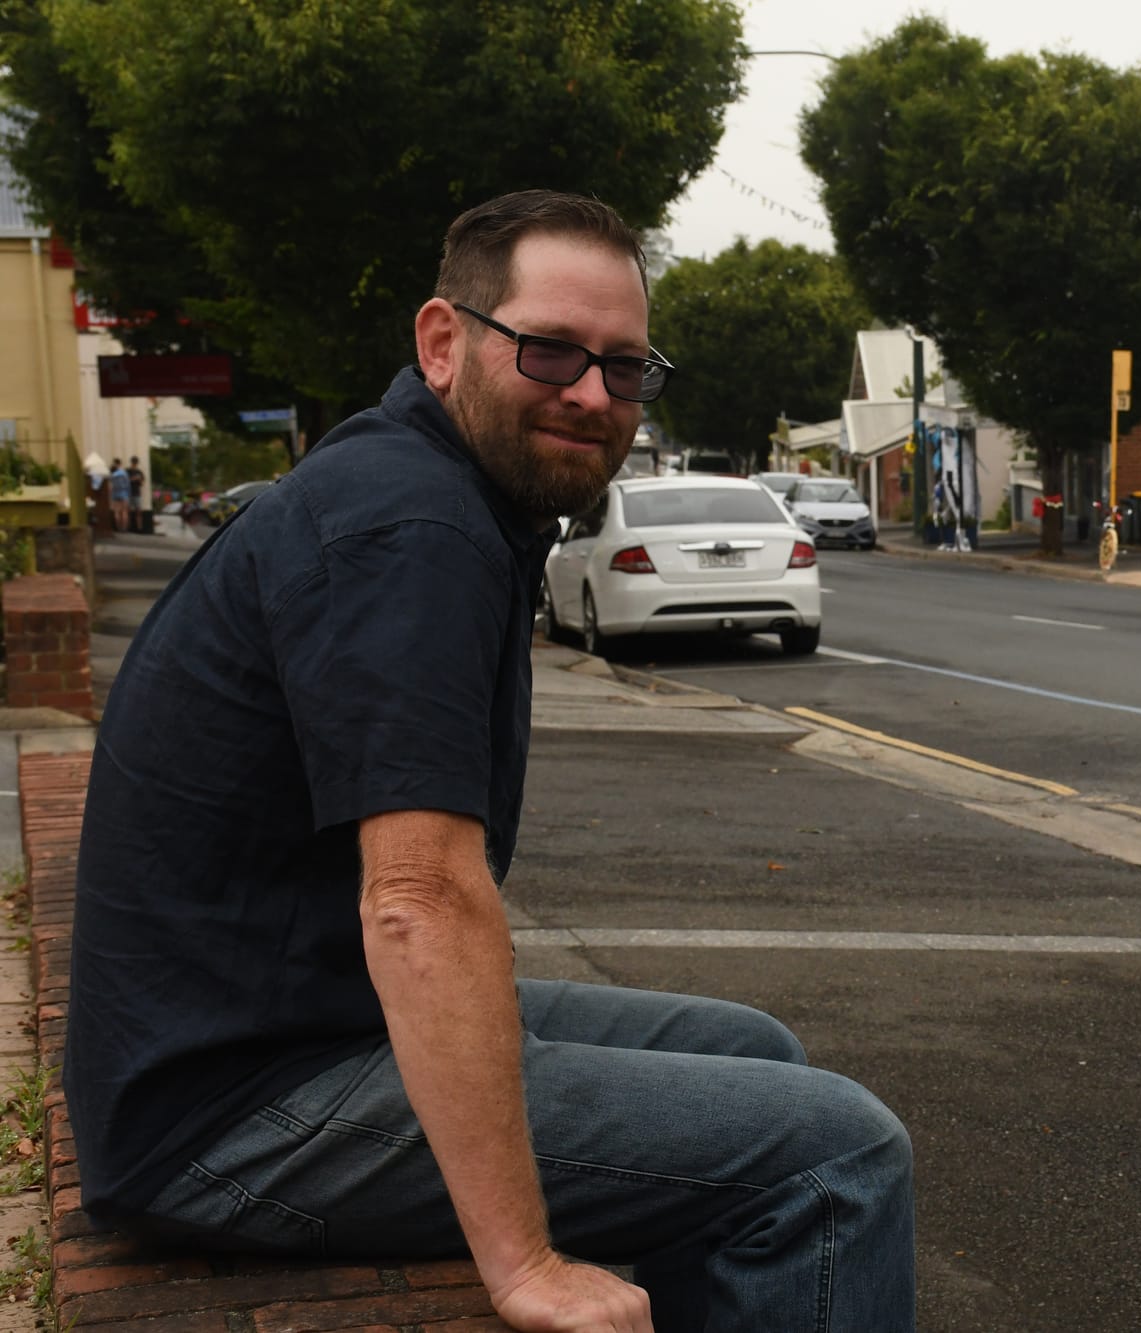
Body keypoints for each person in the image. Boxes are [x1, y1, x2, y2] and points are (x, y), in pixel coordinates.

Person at [66, 190, 915, 1333]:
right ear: (442, 341)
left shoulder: (430, 490)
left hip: (289, 1023)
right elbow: (416, 902)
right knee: (836, 1152)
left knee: (751, 1052)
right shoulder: (412, 531)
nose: (590, 393)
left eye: (624, 367)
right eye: (552, 349)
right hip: (229, 1111)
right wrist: (522, 1265)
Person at [106, 459, 131, 533]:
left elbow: (110, 486)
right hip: (124, 493)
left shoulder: (112, 475)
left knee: (116, 511)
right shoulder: (124, 473)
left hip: (115, 493)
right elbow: (128, 484)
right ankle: (124, 528)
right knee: (124, 511)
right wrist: (129, 493)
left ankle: (118, 527)